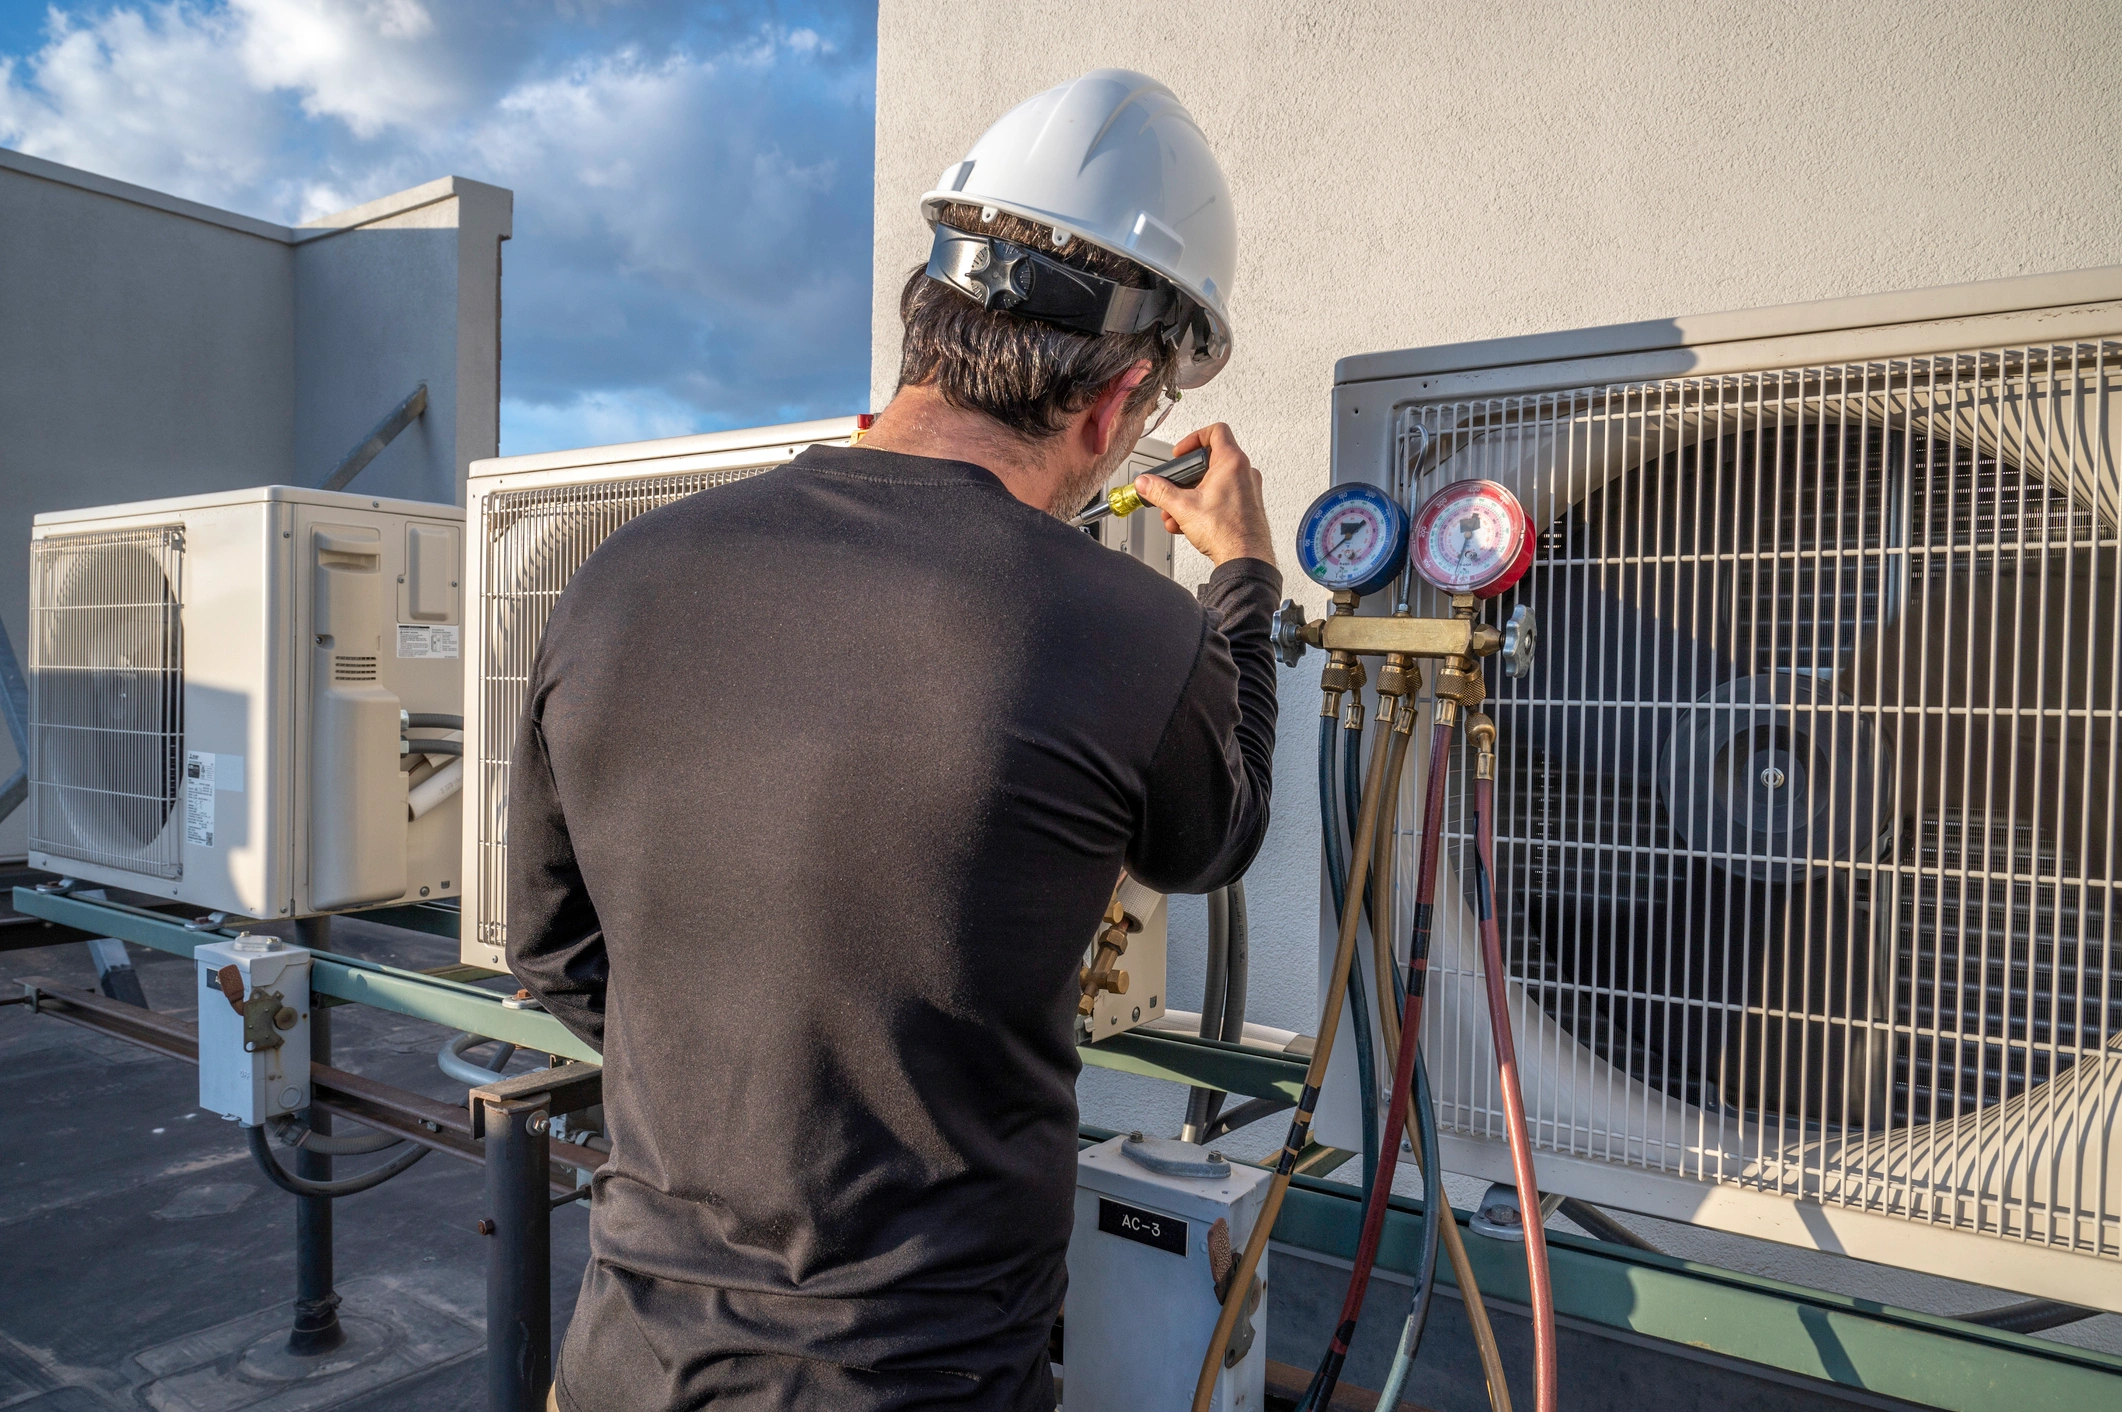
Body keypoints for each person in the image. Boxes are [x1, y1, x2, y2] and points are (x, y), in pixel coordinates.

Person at [509, 68, 1278, 1411]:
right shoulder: (1131, 630)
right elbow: (1214, 837)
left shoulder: (619, 575)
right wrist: (1243, 586)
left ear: (924, 325)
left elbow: (555, 955)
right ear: (1118, 404)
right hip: (915, 1377)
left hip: (626, 1357)